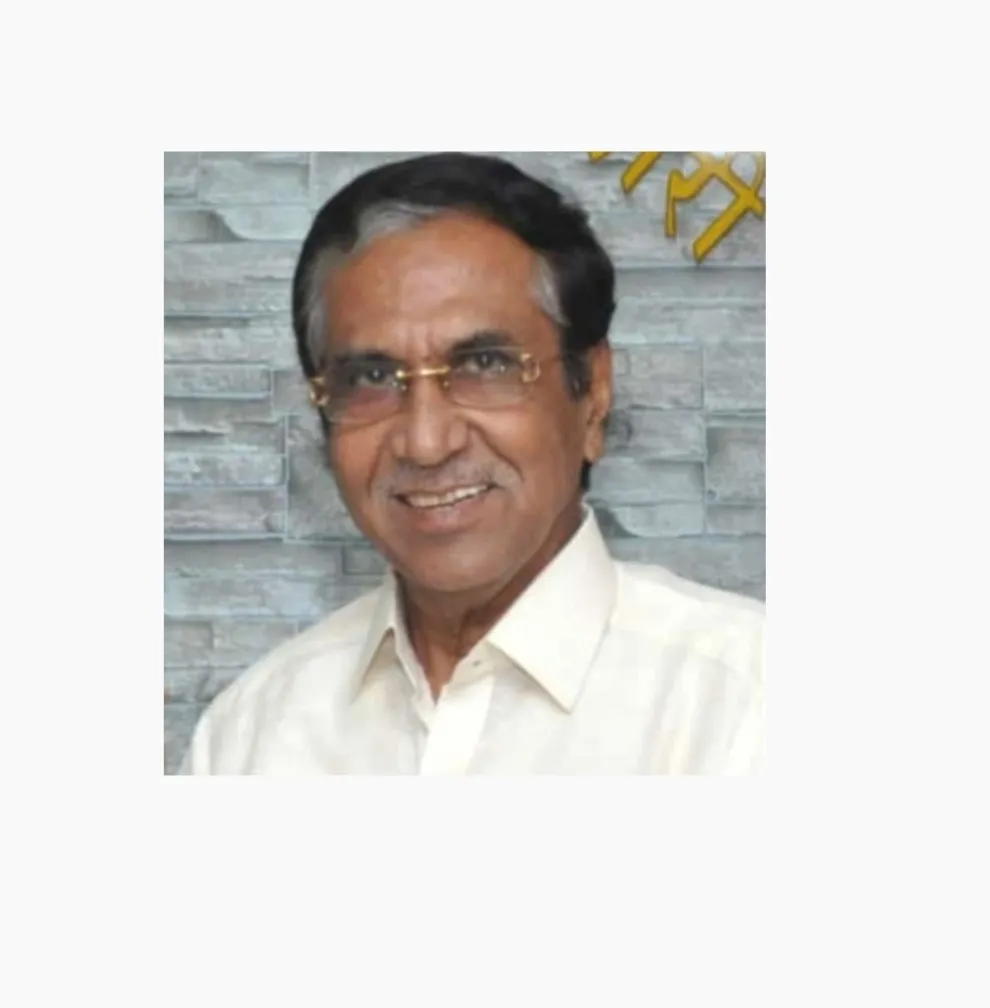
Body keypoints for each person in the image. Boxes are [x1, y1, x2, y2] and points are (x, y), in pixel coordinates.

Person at [181, 152, 764, 775]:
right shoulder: (249, 737)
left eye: (484, 365)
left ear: (592, 394)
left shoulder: (742, 702)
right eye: (372, 377)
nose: (427, 443)